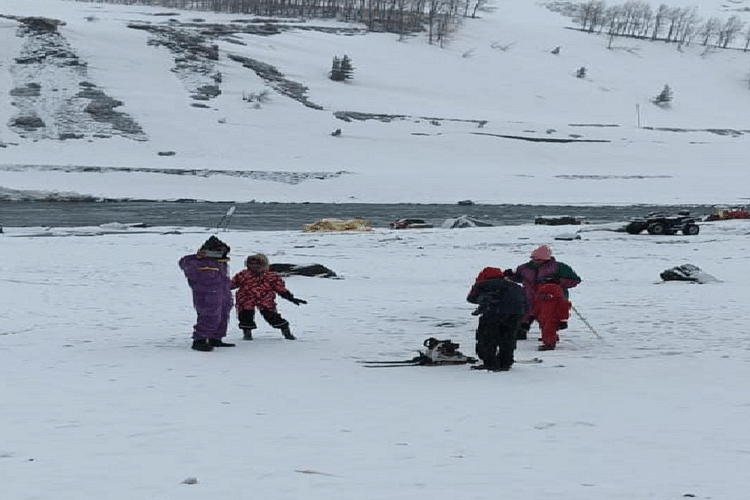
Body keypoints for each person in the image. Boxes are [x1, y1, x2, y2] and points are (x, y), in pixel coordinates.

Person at [507, 245, 581, 351]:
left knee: (548, 321)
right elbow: (518, 278)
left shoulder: (560, 267)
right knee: (524, 318)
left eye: (539, 259)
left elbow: (575, 280)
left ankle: (550, 340)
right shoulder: (524, 268)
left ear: (547, 259)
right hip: (528, 298)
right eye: (534, 259)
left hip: (550, 299)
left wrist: (559, 281)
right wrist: (510, 276)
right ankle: (521, 334)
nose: (536, 261)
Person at [231, 253, 307, 340]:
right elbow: (232, 284)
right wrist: (220, 288)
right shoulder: (243, 275)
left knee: (272, 316)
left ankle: (286, 331)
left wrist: (290, 297)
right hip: (246, 299)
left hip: (265, 299)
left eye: (257, 264)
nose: (254, 266)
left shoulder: (271, 276)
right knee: (245, 316)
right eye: (251, 264)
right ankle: (247, 334)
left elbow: (279, 288)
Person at [178, 236, 234, 352]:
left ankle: (216, 338)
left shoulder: (221, 263)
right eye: (217, 251)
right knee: (209, 315)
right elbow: (190, 270)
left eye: (221, 251)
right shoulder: (196, 262)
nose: (219, 253)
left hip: (223, 292)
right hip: (206, 293)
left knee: (223, 314)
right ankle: (200, 340)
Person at [466, 267, 527, 371]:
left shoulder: (482, 284)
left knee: (487, 339)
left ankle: (490, 363)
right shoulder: (515, 286)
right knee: (508, 339)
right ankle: (505, 362)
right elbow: (526, 301)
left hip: (494, 314)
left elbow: (471, 298)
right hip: (515, 314)